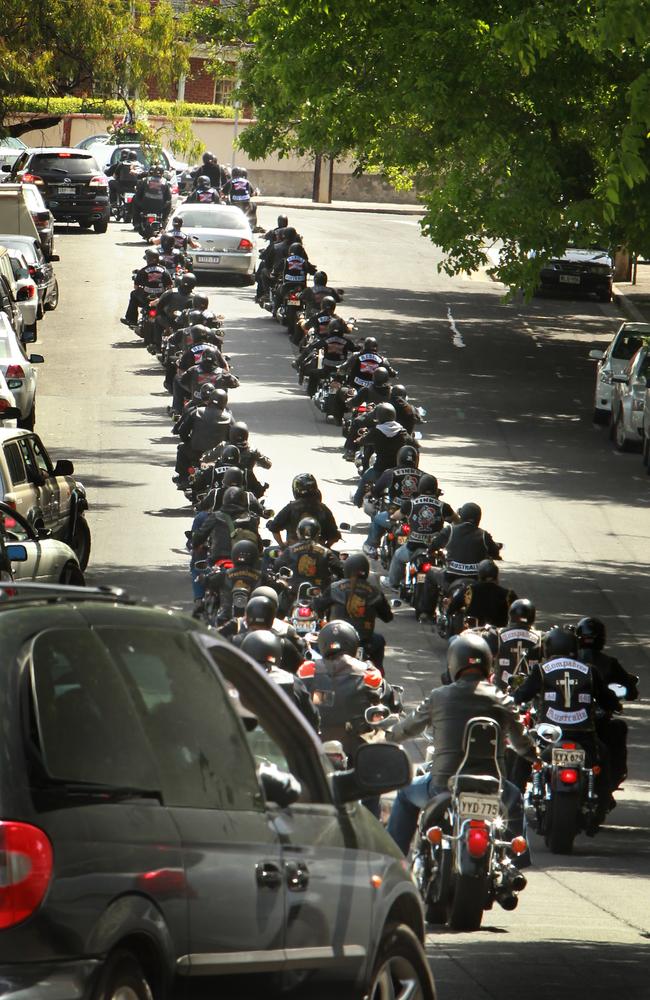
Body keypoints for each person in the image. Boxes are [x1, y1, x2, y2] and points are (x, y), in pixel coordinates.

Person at [386, 633, 538, 857]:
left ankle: (393, 860)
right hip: (493, 786)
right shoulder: (502, 699)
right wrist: (537, 757)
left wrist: (386, 736)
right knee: (514, 797)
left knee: (406, 793)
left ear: (453, 663)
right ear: (488, 662)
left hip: (443, 785)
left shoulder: (439, 696)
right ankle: (514, 863)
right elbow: (522, 744)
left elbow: (407, 728)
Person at [298, 620, 396, 815]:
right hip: (356, 745)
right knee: (371, 786)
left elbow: (297, 696)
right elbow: (391, 701)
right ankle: (371, 823)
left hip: (316, 742)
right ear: (352, 644)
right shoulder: (369, 673)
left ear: (324, 643)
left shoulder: (307, 669)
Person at [514, 626, 620, 805]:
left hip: (548, 735)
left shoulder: (542, 670)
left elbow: (521, 695)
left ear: (548, 648)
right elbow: (607, 700)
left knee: (522, 753)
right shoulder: (589, 671)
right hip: (583, 736)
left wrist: (515, 697)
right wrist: (615, 704)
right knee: (604, 754)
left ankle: (515, 798)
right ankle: (604, 798)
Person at [575, 617, 639, 790]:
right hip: (592, 722)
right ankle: (614, 777)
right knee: (618, 728)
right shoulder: (609, 664)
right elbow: (631, 692)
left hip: (568, 720)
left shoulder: (567, 661)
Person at [415, 502, 502, 614]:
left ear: (462, 515)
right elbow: (495, 552)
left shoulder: (450, 530)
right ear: (478, 518)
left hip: (451, 577)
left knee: (430, 573)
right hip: (475, 578)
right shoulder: (484, 535)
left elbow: (435, 544)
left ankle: (426, 612)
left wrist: (430, 551)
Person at [314, 553, 393, 672]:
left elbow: (317, 606)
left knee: (314, 645)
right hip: (365, 642)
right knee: (379, 641)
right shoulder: (375, 592)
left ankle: (316, 672)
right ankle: (379, 678)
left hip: (335, 639)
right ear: (366, 571)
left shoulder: (334, 588)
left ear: (347, 568)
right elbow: (387, 617)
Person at [384, 475, 457, 591]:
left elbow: (397, 515)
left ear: (420, 487)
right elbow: (456, 520)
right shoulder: (444, 506)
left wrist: (392, 517)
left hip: (413, 547)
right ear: (435, 488)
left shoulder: (410, 504)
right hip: (434, 549)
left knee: (398, 555)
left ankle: (393, 583)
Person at [240, 630, 319, 729]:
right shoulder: (293, 682)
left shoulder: (233, 680)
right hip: (284, 743)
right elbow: (312, 720)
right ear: (277, 655)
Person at [362, 444, 424, 557]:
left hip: (394, 513)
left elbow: (376, 490)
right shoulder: (424, 476)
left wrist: (372, 493)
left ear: (399, 458)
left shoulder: (391, 472)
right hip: (416, 516)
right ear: (416, 459)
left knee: (377, 519)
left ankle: (371, 545)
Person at [275, 517, 343, 614]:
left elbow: (277, 565)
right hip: (319, 596)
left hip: (293, 594)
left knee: (278, 613)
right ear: (318, 534)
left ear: (298, 533)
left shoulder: (290, 551)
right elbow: (341, 570)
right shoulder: (326, 552)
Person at [351, 403, 415, 504]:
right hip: (399, 471)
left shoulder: (377, 431)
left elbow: (364, 440)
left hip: (379, 469)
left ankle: (357, 500)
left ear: (379, 416)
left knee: (365, 478)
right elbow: (413, 444)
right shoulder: (402, 431)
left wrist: (359, 440)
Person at [173, 388, 233, 486]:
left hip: (195, 452)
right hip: (218, 456)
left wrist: (189, 441)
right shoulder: (228, 417)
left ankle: (183, 478)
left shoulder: (196, 412)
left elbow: (182, 431)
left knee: (182, 448)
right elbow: (234, 435)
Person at [268, 473, 340, 548]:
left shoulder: (290, 508)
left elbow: (274, 528)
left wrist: (282, 546)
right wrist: (325, 548)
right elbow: (335, 536)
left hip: (293, 551)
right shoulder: (324, 509)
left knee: (268, 553)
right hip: (318, 553)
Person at [445, 559, 518, 631]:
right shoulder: (508, 594)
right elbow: (520, 612)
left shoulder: (469, 591)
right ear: (496, 575)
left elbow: (452, 608)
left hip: (473, 637)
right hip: (498, 638)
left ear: (479, 575)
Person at [294, 314, 356, 397]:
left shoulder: (326, 340)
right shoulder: (347, 341)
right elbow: (355, 350)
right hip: (341, 372)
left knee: (313, 373)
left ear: (330, 328)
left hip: (327, 370)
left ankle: (311, 393)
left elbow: (313, 347)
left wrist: (299, 360)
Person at [489, 598, 541, 691]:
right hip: (530, 692)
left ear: (511, 615)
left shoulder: (497, 634)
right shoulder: (541, 637)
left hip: (501, 691)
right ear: (532, 617)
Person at [172, 347, 239, 416]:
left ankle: (177, 410)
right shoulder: (223, 372)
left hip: (196, 402)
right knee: (228, 415)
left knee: (184, 413)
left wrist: (191, 387)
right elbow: (236, 384)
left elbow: (182, 380)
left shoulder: (194, 369)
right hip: (217, 403)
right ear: (215, 359)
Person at [121, 248, 172, 327]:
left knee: (133, 294)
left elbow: (136, 287)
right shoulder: (164, 271)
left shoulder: (143, 271)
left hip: (146, 299)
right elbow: (169, 287)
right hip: (160, 299)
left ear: (148, 259)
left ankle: (131, 320)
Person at [131, 164, 172, 230]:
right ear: (162, 173)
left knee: (135, 199)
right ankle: (164, 220)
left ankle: (137, 222)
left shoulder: (146, 180)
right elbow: (168, 198)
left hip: (145, 206)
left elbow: (138, 194)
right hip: (159, 207)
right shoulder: (165, 182)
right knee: (169, 202)